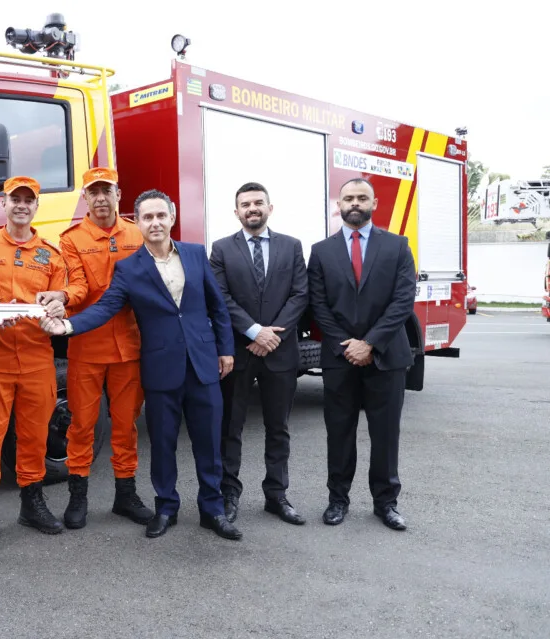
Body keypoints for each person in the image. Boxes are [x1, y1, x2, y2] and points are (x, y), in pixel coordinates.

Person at [41, 189, 242, 541]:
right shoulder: (130, 268)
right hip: (161, 368)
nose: (155, 223)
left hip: (203, 364)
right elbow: (106, 308)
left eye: (160, 216)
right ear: (139, 223)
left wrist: (225, 349)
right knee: (163, 445)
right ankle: (166, 507)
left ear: (172, 218)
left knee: (209, 442)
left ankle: (213, 509)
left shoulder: (195, 255)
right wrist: (68, 326)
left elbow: (217, 306)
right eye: (147, 217)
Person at [34, 167, 153, 531]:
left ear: (119, 194)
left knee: (126, 425)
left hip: (130, 346)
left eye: (107, 191)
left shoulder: (138, 232)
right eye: (94, 192)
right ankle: (78, 497)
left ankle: (125, 495)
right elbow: (80, 286)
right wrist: (64, 297)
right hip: (87, 344)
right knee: (82, 425)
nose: (101, 198)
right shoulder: (71, 239)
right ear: (85, 198)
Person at [307, 177, 416, 531]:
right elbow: (318, 305)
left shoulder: (398, 246)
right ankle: (337, 500)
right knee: (339, 432)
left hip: (386, 357)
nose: (355, 203)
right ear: (338, 205)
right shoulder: (321, 251)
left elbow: (403, 301)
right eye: (348, 198)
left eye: (362, 197)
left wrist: (370, 343)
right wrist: (349, 344)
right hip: (340, 358)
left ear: (374, 203)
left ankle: (386, 504)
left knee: (386, 434)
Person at [0, 176, 69, 546]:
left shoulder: (51, 254)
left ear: (36, 207)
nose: (22, 205)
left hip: (37, 356)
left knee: (33, 436)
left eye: (29, 199)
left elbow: (61, 298)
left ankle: (32, 503)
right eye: (15, 199)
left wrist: (59, 304)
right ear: (4, 204)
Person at [208, 182, 309, 526]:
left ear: (270, 207)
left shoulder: (292, 246)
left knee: (278, 427)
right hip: (237, 351)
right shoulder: (221, 249)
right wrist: (254, 331)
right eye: (245, 204)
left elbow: (300, 295)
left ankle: (277, 495)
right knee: (230, 428)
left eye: (258, 203)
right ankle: (229, 494)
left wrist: (271, 335)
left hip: (280, 353)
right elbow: (220, 297)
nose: (252, 208)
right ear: (236, 211)